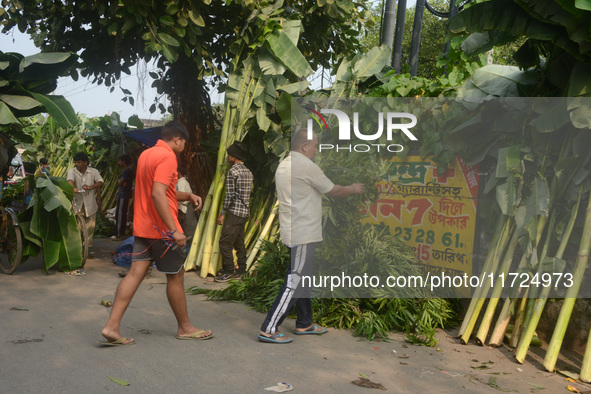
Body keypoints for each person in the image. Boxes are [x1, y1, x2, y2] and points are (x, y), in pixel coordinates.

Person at [100, 121, 212, 346]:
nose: (184, 148)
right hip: (162, 231)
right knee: (176, 276)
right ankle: (185, 327)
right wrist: (173, 230)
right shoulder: (168, 157)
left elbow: (165, 191)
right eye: (184, 143)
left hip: (143, 228)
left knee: (134, 274)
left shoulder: (146, 155)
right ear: (177, 139)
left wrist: (189, 196)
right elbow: (158, 194)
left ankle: (111, 327)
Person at [258, 129, 364, 344]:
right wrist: (353, 188)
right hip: (303, 232)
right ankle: (269, 328)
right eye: (314, 145)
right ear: (305, 146)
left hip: (292, 228)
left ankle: (304, 322)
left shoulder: (285, 164)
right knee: (295, 279)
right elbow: (333, 190)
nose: (316, 150)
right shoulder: (306, 166)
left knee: (302, 277)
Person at [215, 141, 253, 283]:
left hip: (234, 212)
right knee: (239, 242)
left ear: (233, 156)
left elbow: (229, 194)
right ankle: (241, 270)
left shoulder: (233, 171)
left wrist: (223, 213)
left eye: (229, 154)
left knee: (225, 242)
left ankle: (229, 271)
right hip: (245, 212)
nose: (227, 157)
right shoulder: (248, 172)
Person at [67, 152, 103, 259]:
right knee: (77, 228)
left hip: (90, 204)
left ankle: (86, 251)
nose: (77, 164)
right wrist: (72, 188)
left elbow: (101, 182)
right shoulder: (72, 171)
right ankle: (77, 250)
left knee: (89, 229)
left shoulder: (93, 172)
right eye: (76, 162)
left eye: (79, 162)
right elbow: (70, 180)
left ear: (85, 163)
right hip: (77, 204)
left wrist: (91, 187)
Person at [111, 154, 134, 241]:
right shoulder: (128, 170)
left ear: (124, 161)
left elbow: (121, 182)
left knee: (120, 214)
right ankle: (121, 233)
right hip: (124, 195)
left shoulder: (127, 171)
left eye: (120, 161)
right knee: (122, 213)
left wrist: (120, 183)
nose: (118, 163)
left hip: (123, 195)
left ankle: (119, 234)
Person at [176, 162, 197, 241]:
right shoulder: (183, 182)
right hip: (186, 208)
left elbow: (182, 197)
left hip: (185, 209)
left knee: (186, 230)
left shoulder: (181, 183)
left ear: (179, 173)